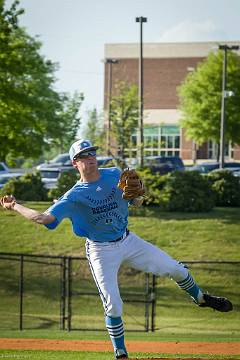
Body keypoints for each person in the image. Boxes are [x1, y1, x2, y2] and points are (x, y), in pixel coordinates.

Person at [0, 139, 233, 360]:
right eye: (83, 156)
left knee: (176, 269)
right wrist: (15, 205)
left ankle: (201, 299)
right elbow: (43, 218)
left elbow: (136, 202)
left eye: (91, 153)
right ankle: (121, 353)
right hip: (101, 250)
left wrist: (140, 195)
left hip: (127, 240)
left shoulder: (114, 175)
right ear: (75, 163)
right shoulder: (73, 196)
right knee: (113, 303)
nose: (90, 158)